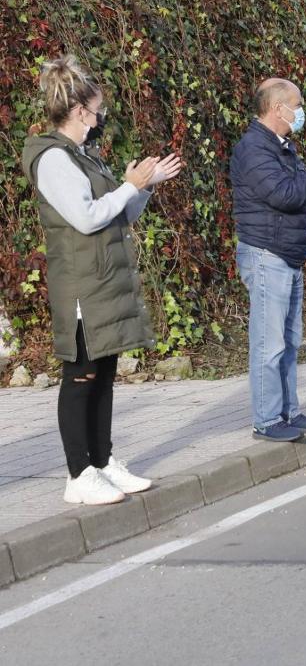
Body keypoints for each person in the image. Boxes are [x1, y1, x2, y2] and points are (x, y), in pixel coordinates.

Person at [20, 55, 182, 504]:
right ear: (78, 112)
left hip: (103, 282)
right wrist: (129, 186)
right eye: (97, 111)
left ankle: (103, 461)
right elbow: (87, 219)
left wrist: (145, 185)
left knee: (105, 373)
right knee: (82, 377)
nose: (100, 119)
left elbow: (120, 212)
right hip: (81, 289)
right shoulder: (53, 158)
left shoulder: (84, 156)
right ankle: (78, 474)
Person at [231, 77, 306, 442]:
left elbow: (304, 195)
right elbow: (285, 195)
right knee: (269, 345)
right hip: (266, 254)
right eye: (296, 105)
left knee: (289, 341)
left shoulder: (282, 147)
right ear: (276, 108)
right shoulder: (254, 149)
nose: (301, 111)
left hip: (287, 253)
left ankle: (288, 411)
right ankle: (266, 420)